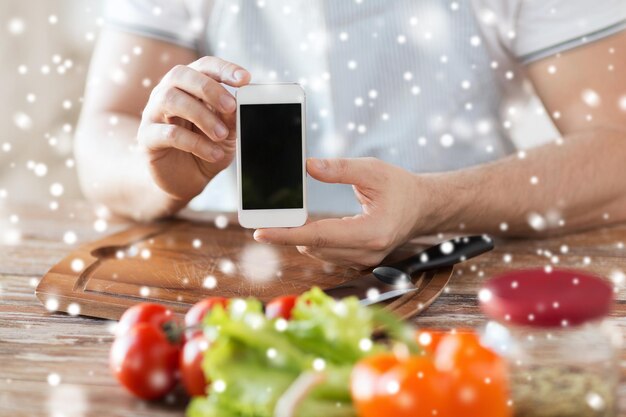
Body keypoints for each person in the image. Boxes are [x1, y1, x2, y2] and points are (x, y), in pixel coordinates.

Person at [76, 0, 626, 269]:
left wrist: (434, 203)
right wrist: (160, 174)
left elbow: (617, 148)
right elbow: (103, 135)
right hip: (228, 269)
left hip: (455, 261)